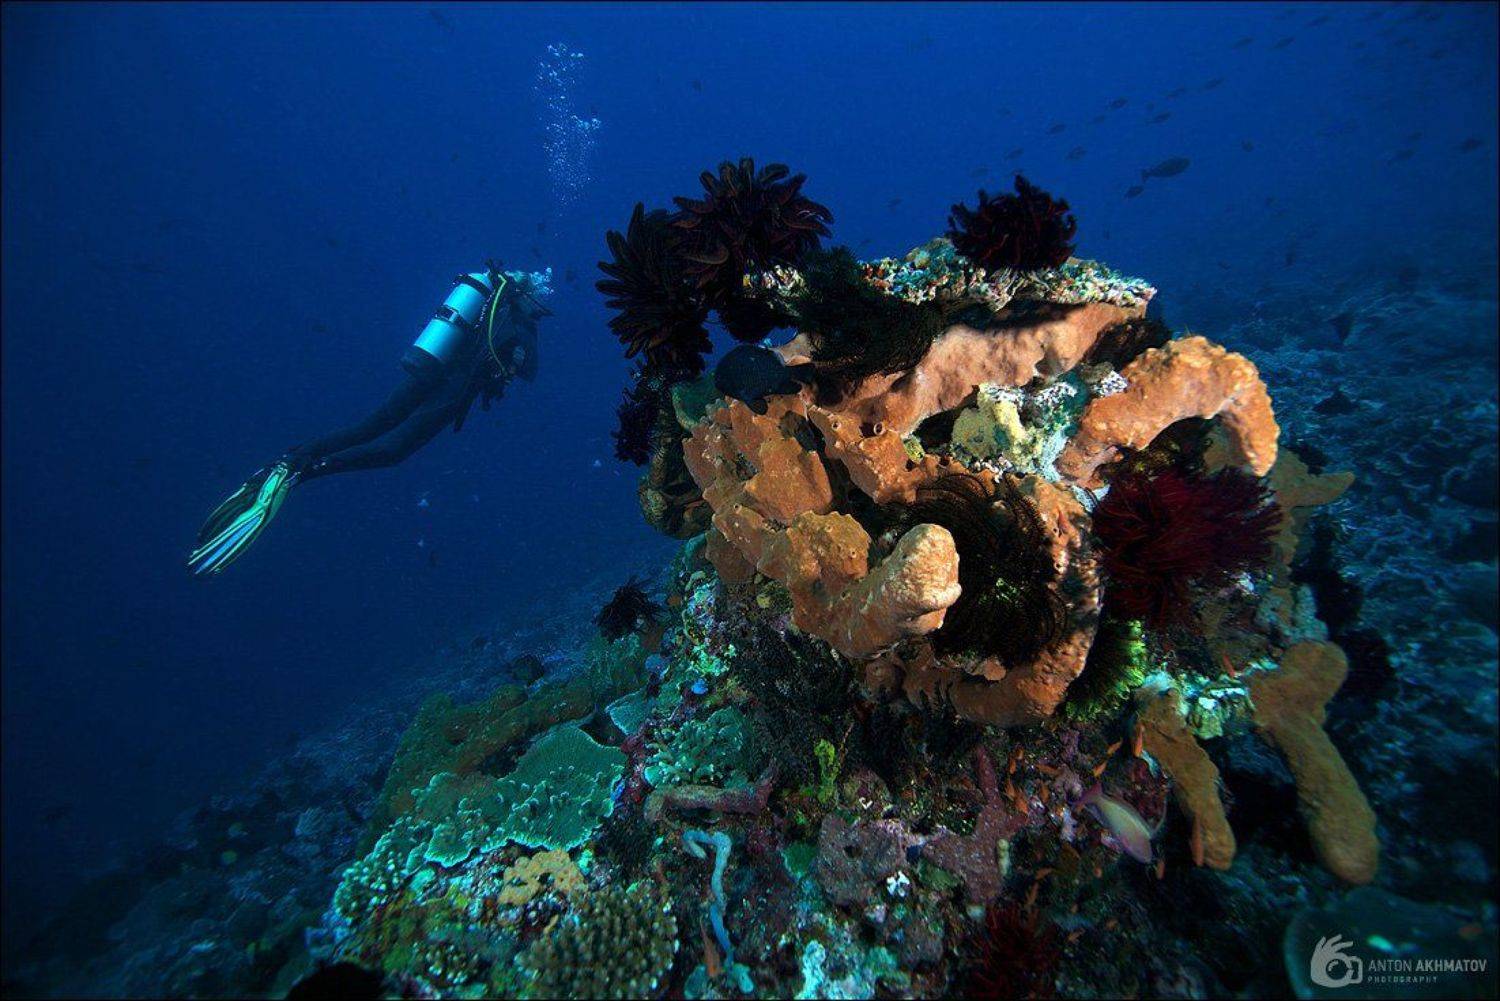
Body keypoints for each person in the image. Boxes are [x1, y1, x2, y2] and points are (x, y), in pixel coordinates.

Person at [187, 263, 551, 577]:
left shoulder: (486, 306)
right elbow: (513, 365)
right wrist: (514, 359)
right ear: (523, 295)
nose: (539, 305)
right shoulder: (513, 321)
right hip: (451, 388)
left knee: (370, 426)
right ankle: (302, 472)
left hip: (429, 372)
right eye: (537, 298)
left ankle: (289, 459)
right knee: (393, 449)